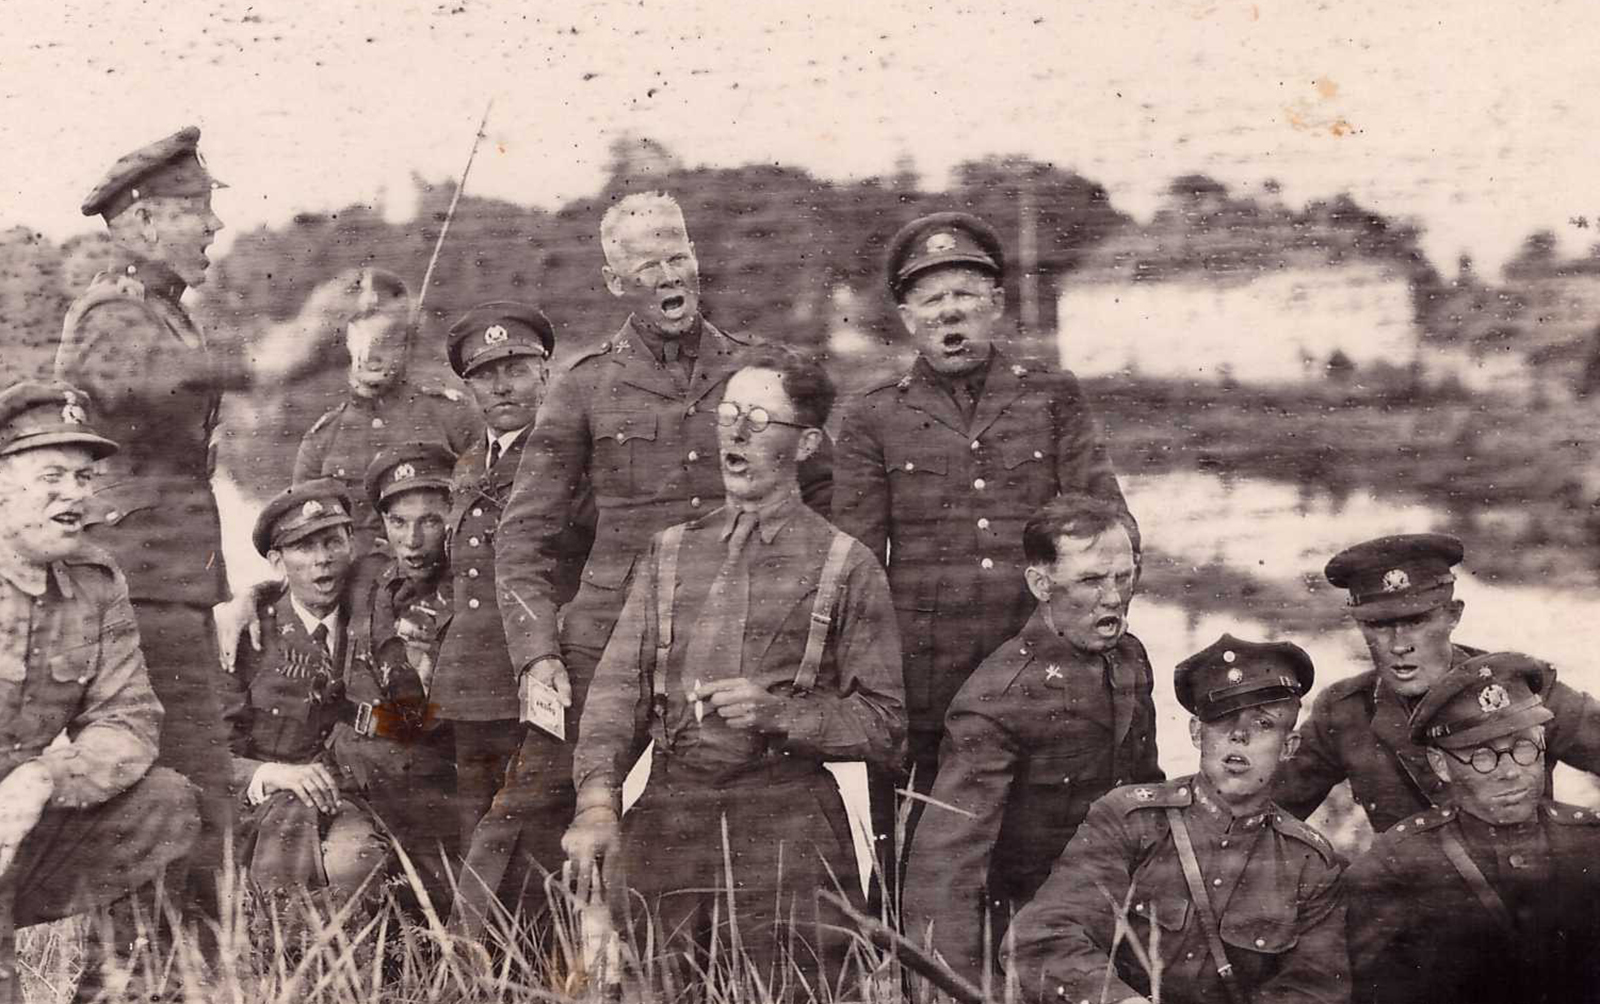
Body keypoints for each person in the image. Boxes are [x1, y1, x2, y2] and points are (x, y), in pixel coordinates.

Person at [561, 348, 904, 989]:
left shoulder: (846, 565)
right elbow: (616, 693)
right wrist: (599, 802)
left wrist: (779, 714)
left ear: (806, 444)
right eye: (729, 414)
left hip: (786, 825)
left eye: (759, 419)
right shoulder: (670, 552)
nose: (737, 434)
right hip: (670, 815)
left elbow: (884, 725)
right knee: (649, 987)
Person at [56, 125, 328, 909]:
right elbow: (149, 377)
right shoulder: (110, 314)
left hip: (169, 592)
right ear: (144, 221)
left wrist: (319, 346)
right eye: (197, 208)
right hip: (136, 596)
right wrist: (277, 356)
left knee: (196, 796)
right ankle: (138, 966)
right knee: (164, 794)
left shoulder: (163, 313)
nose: (215, 224)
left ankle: (181, 963)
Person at [832, 211, 1132, 892]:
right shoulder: (873, 415)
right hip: (925, 684)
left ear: (996, 304)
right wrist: (871, 686)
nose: (950, 313)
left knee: (1047, 857)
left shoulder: (1051, 396)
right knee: (916, 861)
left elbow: (1110, 522)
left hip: (1041, 666)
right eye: (932, 299)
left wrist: (1089, 619)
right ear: (907, 317)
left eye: (966, 295)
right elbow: (856, 565)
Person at [494, 192, 830, 779]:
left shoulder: (759, 371)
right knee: (534, 805)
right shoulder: (583, 386)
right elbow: (523, 536)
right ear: (614, 281)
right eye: (647, 266)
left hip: (736, 637)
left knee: (737, 805)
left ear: (696, 258)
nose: (669, 276)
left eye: (677, 258)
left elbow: (825, 497)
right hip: (608, 638)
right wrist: (538, 654)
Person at [903, 495, 1161, 985]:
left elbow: (1145, 792)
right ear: (1041, 585)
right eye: (1091, 580)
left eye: (1124, 578)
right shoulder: (997, 700)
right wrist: (964, 988)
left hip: (1120, 917)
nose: (1113, 598)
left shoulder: (1128, 657)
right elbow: (946, 872)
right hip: (1029, 938)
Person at [1006, 635, 1346, 1004]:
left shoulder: (1308, 864)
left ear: (1289, 747)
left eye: (1263, 724)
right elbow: (1044, 937)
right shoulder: (1130, 821)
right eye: (1223, 719)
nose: (1238, 736)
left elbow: (1312, 989)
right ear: (1197, 732)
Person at [0, 381, 199, 1004]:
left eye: (83, 478)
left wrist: (45, 778)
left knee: (164, 802)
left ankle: (116, 992)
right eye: (51, 476)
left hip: (18, 824)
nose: (75, 495)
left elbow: (128, 718)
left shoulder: (95, 583)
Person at [1274, 533, 1600, 833]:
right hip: (1408, 878)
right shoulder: (1345, 711)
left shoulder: (1517, 685)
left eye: (1417, 621)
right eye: (1379, 625)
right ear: (1360, 626)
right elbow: (1265, 814)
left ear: (1453, 615)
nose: (1399, 645)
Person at [436, 302, 586, 932]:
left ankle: (528, 967)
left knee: (534, 842)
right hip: (468, 685)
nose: (501, 387)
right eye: (485, 375)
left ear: (545, 372)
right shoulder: (471, 462)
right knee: (475, 831)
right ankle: (482, 967)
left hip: (538, 677)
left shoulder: (570, 456)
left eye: (517, 370)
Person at [1346, 652, 1600, 1004]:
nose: (1510, 771)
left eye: (1524, 746)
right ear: (1441, 765)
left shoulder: (1589, 842)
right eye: (1482, 755)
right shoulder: (1397, 864)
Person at [220, 480, 388, 902]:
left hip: (354, 800)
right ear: (277, 562)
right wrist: (269, 773)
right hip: (270, 810)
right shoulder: (248, 637)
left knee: (355, 859)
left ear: (351, 545)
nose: (321, 560)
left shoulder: (374, 615)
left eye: (332, 542)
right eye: (303, 547)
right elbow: (212, 755)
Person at [293, 267, 482, 596]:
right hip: (354, 598)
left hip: (440, 593)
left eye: (387, 340)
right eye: (362, 339)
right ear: (345, 342)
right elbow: (304, 541)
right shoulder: (321, 439)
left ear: (407, 344)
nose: (372, 354)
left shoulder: (452, 416)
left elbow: (485, 514)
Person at [338, 447, 464, 910]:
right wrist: (247, 600)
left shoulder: (475, 594)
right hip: (359, 783)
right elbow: (297, 585)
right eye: (398, 522)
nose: (412, 540)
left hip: (434, 792)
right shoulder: (371, 579)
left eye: (430, 521)